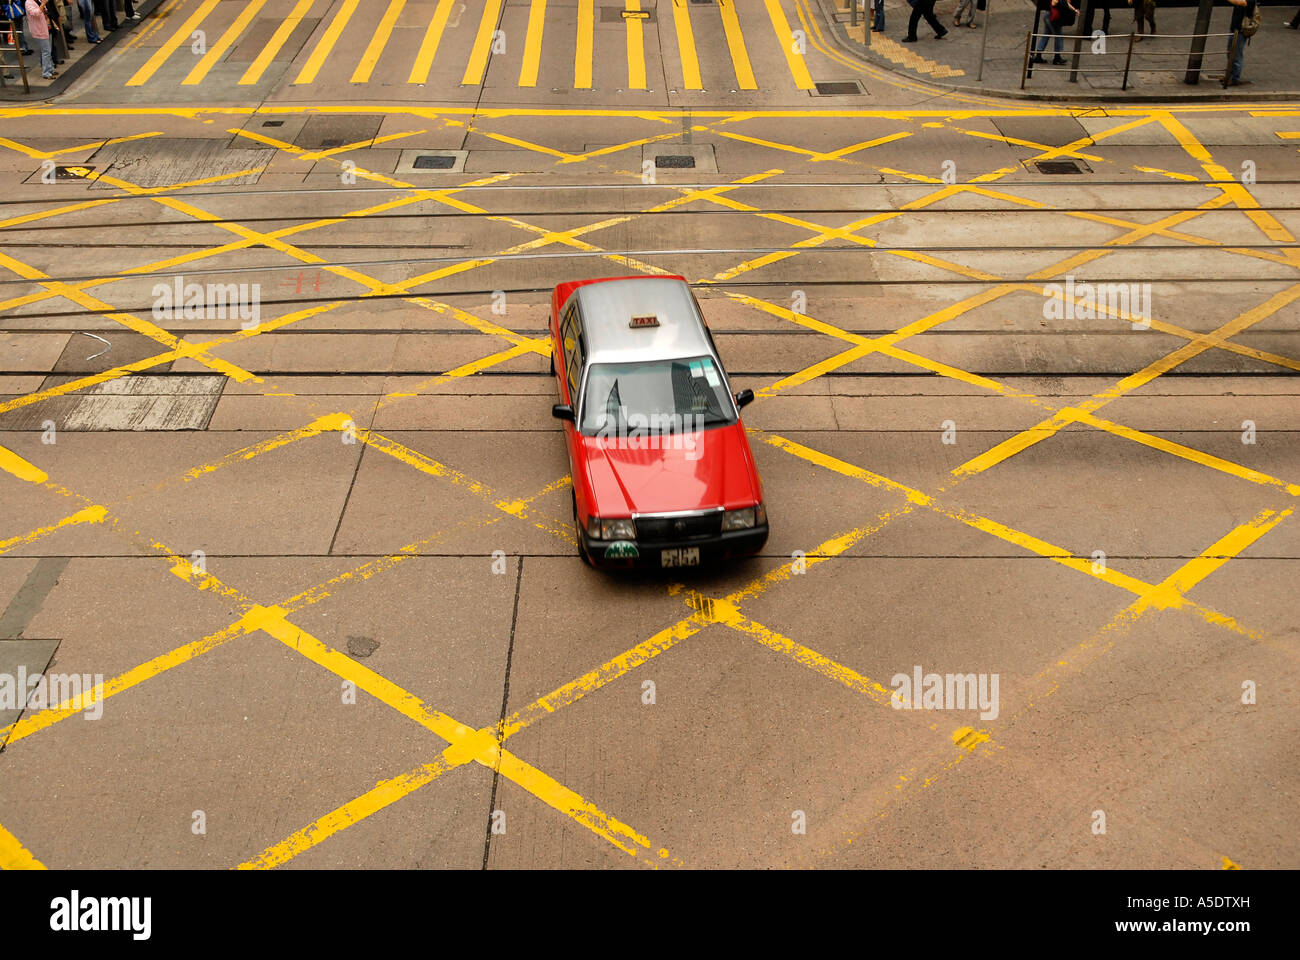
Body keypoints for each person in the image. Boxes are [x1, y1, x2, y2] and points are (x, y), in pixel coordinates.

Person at [1031, 0, 1077, 65]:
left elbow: (1064, 2)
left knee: (1045, 36)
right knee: (1058, 36)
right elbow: (1054, 2)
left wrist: (1074, 10)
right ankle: (1057, 58)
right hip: (1053, 17)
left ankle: (1038, 56)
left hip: (1049, 15)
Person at [1226, 0, 1257, 86]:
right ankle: (1229, 75)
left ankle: (1235, 78)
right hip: (1234, 29)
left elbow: (1241, 3)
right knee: (1230, 53)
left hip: (1241, 31)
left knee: (1236, 56)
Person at [23, 0, 53, 78]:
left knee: (48, 50)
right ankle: (46, 73)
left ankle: (50, 69)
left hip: (45, 28)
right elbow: (35, 13)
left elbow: (45, 11)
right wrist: (43, 4)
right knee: (46, 51)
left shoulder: (38, 0)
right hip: (39, 30)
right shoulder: (28, 2)